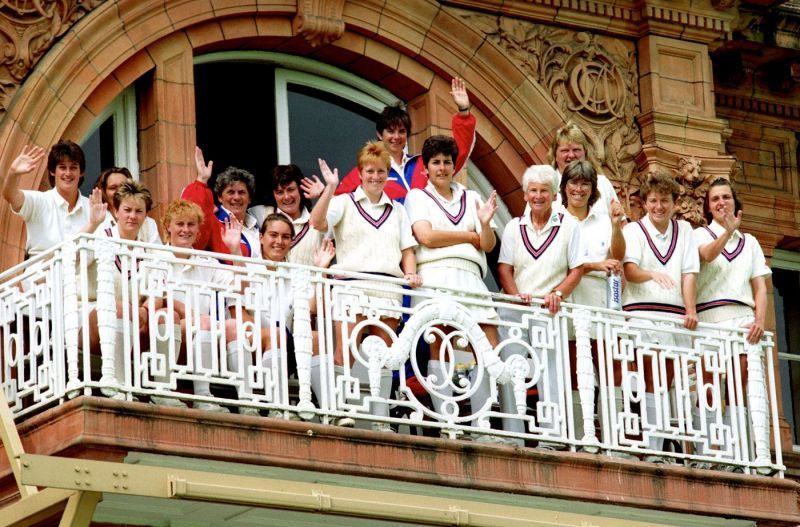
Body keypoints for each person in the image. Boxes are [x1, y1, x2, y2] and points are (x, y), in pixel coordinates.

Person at [311, 141, 422, 431]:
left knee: (383, 355)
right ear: (360, 173)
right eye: (370, 171)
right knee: (345, 350)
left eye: (382, 171)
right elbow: (316, 222)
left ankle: (381, 417)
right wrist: (330, 188)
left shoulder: (398, 210)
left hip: (387, 286)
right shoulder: (344, 202)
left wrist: (410, 274)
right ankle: (339, 409)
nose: (376, 177)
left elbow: (407, 249)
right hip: (352, 283)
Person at [404, 135, 500, 435]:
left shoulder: (471, 198)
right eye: (436, 162)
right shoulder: (417, 197)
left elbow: (488, 243)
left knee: (488, 347)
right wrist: (469, 235)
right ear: (426, 168)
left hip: (472, 278)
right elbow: (426, 236)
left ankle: (484, 423)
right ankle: (449, 420)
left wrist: (482, 225)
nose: (442, 168)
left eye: (447, 162)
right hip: (436, 276)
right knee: (442, 345)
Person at [497, 164, 585, 445]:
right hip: (515, 308)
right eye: (532, 191)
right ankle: (513, 433)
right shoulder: (513, 226)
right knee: (512, 368)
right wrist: (515, 295)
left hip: (549, 309)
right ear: (525, 195)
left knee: (552, 370)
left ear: (554, 194)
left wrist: (557, 293)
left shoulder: (569, 225)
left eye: (543, 191)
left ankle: (553, 435)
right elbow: (504, 268)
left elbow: (577, 269)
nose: (538, 196)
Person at [224, 213, 335, 417]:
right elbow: (236, 305)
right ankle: (277, 407)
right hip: (249, 344)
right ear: (261, 237)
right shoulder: (247, 265)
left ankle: (330, 412)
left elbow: (313, 307)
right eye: (273, 235)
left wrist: (321, 272)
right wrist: (234, 249)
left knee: (318, 338)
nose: (279, 241)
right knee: (275, 334)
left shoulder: (294, 272)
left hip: (285, 347)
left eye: (285, 237)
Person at [693, 177, 771, 468]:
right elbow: (708, 256)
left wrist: (759, 320)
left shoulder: (750, 242)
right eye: (715, 199)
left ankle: (736, 454)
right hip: (709, 317)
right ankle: (706, 453)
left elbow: (760, 286)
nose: (721, 203)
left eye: (726, 197)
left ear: (735, 203)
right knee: (708, 384)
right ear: (709, 207)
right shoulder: (699, 235)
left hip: (742, 317)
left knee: (739, 385)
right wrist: (727, 232)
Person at [621, 171, 699, 463]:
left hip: (673, 315)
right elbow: (630, 270)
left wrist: (690, 309)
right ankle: (653, 447)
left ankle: (666, 445)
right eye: (653, 200)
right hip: (642, 314)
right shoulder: (633, 231)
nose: (658, 206)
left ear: (674, 202)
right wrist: (652, 273)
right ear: (644, 203)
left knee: (667, 381)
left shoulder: (685, 232)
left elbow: (689, 273)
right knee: (648, 378)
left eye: (664, 200)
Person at [147, 199, 241, 411]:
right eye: (180, 224)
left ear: (199, 230)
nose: (185, 229)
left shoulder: (207, 261)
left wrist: (235, 250)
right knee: (194, 319)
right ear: (167, 227)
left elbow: (241, 285)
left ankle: (245, 402)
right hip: (165, 333)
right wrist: (189, 314)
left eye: (191, 225)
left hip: (201, 335)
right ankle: (183, 393)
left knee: (233, 326)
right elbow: (157, 298)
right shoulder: (154, 256)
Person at [559, 159, 626, 443]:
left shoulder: (602, 218)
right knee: (576, 371)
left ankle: (614, 439)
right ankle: (577, 437)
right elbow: (560, 263)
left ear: (593, 189)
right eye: (574, 183)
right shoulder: (556, 217)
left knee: (612, 372)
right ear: (564, 187)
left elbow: (618, 255)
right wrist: (595, 265)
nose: (579, 189)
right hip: (572, 300)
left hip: (602, 300)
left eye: (585, 183)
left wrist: (616, 226)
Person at [335, 78, 476, 204]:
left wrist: (464, 111)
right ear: (379, 134)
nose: (396, 137)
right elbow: (339, 202)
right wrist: (325, 192)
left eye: (402, 131)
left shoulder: (424, 163)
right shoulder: (369, 169)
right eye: (390, 131)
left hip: (431, 230)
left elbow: (459, 152)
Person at [84, 180, 155, 400]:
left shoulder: (149, 249)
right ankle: (121, 386)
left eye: (138, 211)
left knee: (165, 318)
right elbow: (74, 258)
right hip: (92, 315)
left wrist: (146, 308)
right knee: (121, 309)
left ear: (145, 216)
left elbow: (157, 291)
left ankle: (163, 391)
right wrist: (91, 225)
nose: (132, 216)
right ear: (115, 211)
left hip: (132, 318)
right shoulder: (101, 236)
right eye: (127, 210)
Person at [2, 141, 100, 258]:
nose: (68, 173)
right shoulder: (41, 201)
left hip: (80, 275)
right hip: (42, 274)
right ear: (53, 171)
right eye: (62, 167)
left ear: (81, 172)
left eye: (73, 167)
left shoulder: (93, 208)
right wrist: (13, 173)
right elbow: (10, 195)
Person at [181, 146, 261, 259]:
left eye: (242, 192)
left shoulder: (257, 224)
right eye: (230, 192)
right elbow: (190, 213)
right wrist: (201, 180)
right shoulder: (213, 220)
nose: (236, 197)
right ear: (219, 197)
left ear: (250, 198)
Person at [248, 164, 325, 265]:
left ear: (300, 190)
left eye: (290, 190)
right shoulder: (261, 213)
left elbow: (346, 214)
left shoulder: (317, 221)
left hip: (307, 280)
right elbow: (233, 212)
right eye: (280, 192)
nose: (286, 197)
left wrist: (324, 194)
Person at [547, 122, 621, 215]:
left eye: (576, 150)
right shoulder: (544, 185)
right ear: (554, 155)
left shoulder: (602, 184)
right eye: (565, 150)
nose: (571, 155)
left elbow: (621, 223)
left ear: (585, 152)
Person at [94, 166, 161, 244]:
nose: (118, 191)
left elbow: (161, 254)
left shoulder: (149, 224)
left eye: (123, 186)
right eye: (113, 188)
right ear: (104, 192)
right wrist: (93, 224)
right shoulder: (97, 222)